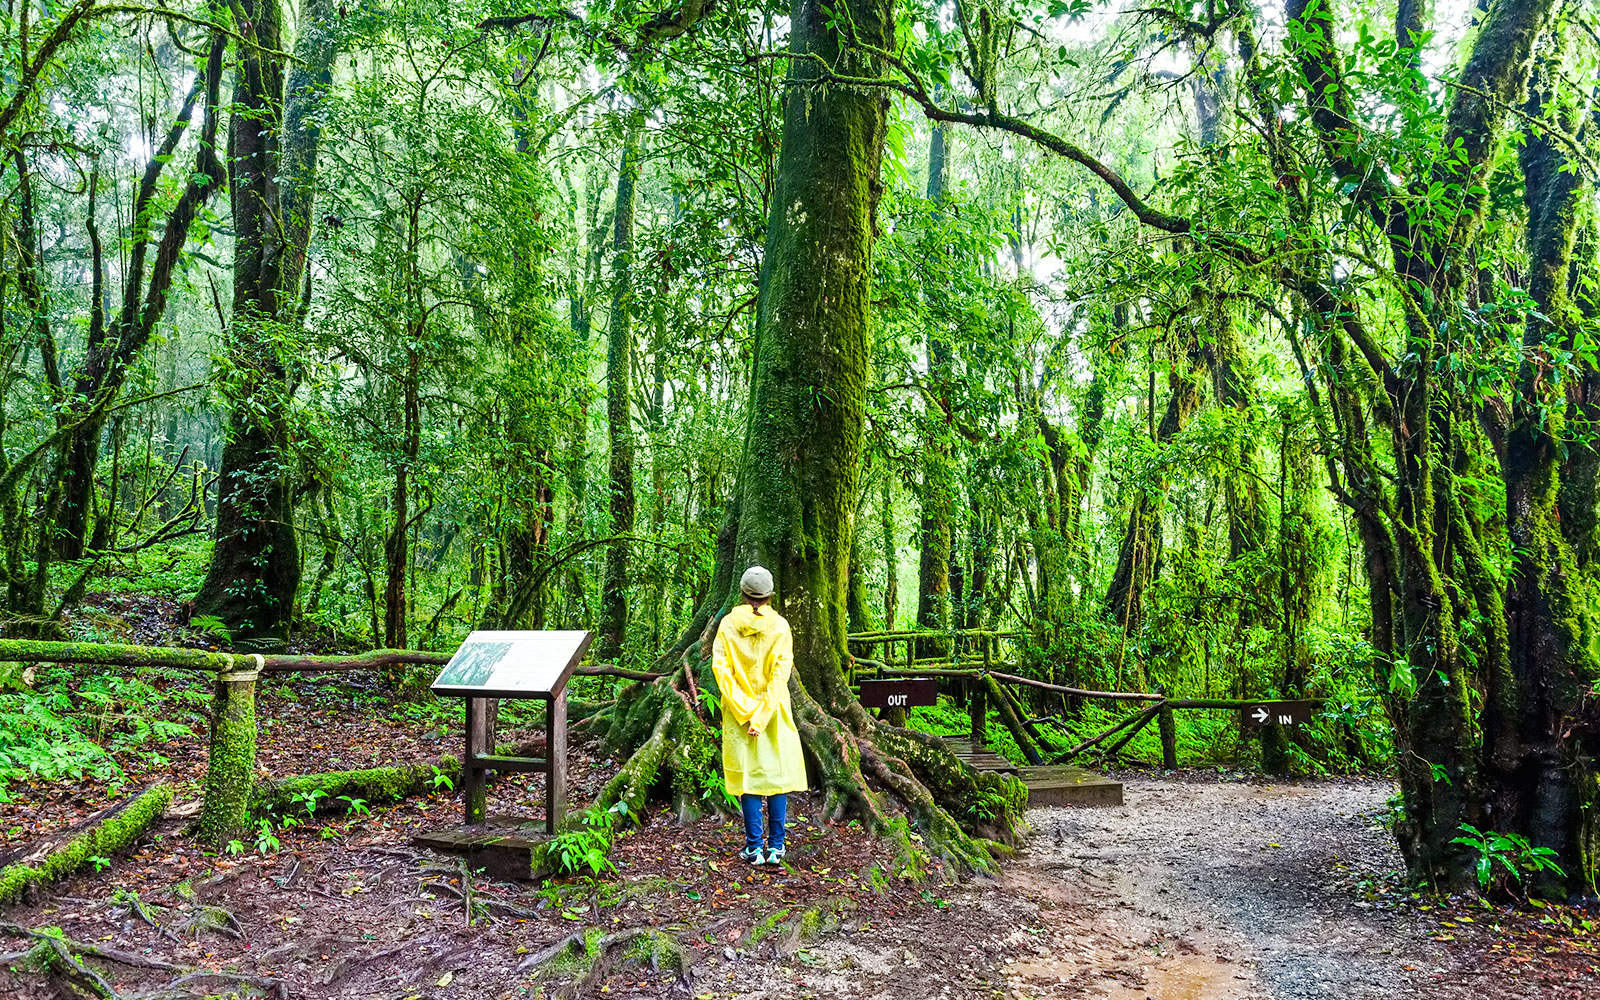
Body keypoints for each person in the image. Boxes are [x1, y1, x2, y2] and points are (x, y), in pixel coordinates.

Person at [710, 565, 807, 865]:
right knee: (777, 777)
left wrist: (745, 711)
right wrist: (762, 715)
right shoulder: (780, 627)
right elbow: (781, 675)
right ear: (769, 596)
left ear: (742, 594)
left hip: (738, 715)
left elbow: (721, 670)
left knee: (747, 780)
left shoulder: (727, 624)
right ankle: (776, 848)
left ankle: (754, 848)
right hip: (774, 711)